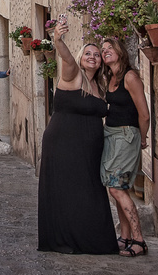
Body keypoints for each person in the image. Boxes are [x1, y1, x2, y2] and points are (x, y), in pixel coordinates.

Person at [37, 19, 119, 255]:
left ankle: (89, 239)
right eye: (88, 53)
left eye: (97, 54)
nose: (92, 57)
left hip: (88, 151)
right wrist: (59, 40)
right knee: (67, 192)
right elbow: (67, 58)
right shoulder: (74, 75)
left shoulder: (101, 86)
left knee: (87, 192)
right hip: (63, 144)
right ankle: (65, 239)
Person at [100, 37, 151, 256]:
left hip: (126, 135)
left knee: (116, 188)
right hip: (111, 136)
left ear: (121, 52)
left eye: (110, 48)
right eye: (103, 49)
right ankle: (125, 236)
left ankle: (139, 240)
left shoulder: (130, 77)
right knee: (117, 189)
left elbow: (144, 113)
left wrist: (143, 137)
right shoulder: (110, 77)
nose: (105, 52)